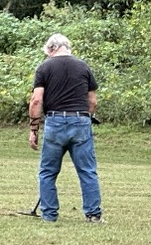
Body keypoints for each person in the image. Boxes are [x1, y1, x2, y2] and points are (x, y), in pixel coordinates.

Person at [20, 33, 102, 222]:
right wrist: (86, 119)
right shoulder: (83, 66)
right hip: (81, 120)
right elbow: (92, 101)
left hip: (55, 122)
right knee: (87, 171)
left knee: (48, 171)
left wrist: (33, 129)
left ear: (51, 49)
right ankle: (93, 214)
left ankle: (49, 214)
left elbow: (36, 100)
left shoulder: (44, 68)